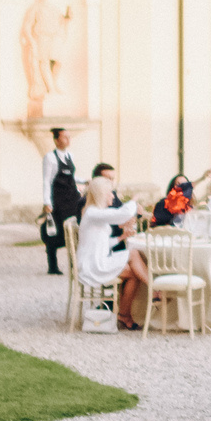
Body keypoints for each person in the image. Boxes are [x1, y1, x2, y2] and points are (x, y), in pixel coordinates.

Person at [74, 177, 150, 329]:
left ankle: (125, 314)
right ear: (102, 194)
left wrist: (121, 237)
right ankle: (155, 288)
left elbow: (100, 243)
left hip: (98, 259)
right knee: (133, 255)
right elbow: (121, 215)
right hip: (93, 265)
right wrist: (134, 202)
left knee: (134, 268)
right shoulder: (92, 213)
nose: (113, 196)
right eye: (110, 193)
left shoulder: (95, 213)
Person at [39, 127, 80, 275]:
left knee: (73, 230)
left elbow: (71, 178)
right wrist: (46, 202)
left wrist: (84, 181)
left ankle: (74, 263)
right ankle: (53, 266)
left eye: (69, 137)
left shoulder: (70, 156)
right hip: (58, 199)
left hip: (72, 198)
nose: (68, 140)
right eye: (64, 137)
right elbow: (47, 181)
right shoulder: (50, 157)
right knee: (54, 232)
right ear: (56, 140)